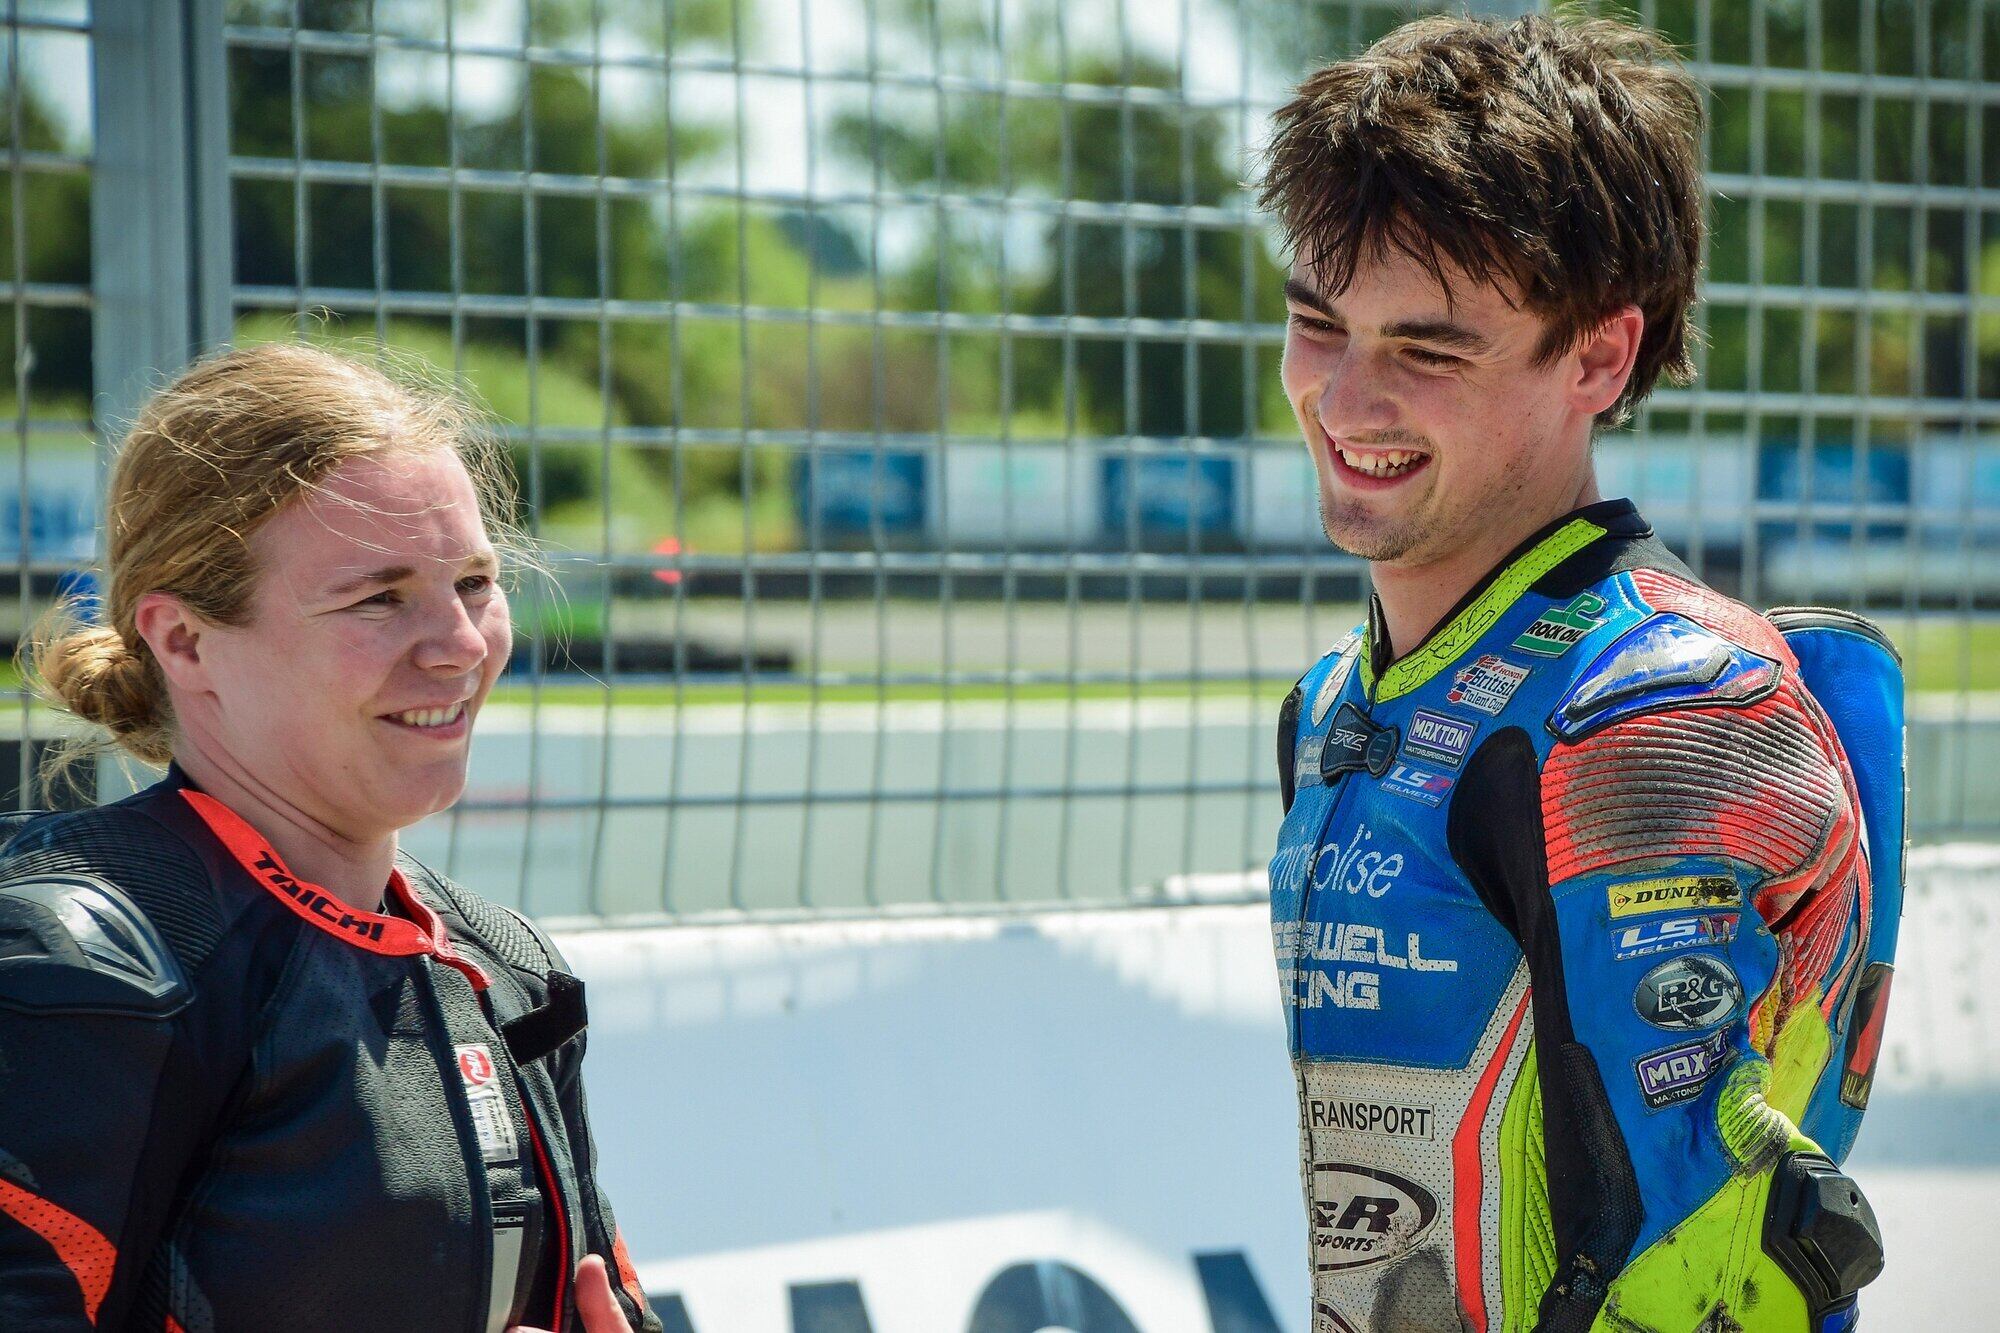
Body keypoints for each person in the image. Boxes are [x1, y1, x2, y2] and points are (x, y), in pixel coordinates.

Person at [1259, 15, 1900, 1332]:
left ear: (1600, 356)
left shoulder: (1650, 706)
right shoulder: (1337, 705)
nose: (1345, 398)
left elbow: (1702, 1279)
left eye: (1427, 351)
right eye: (1321, 325)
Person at [0, 343, 661, 1333]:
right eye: (378, 598)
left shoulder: (505, 966)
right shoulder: (76, 968)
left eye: (475, 583)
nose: (461, 644)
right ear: (185, 642)